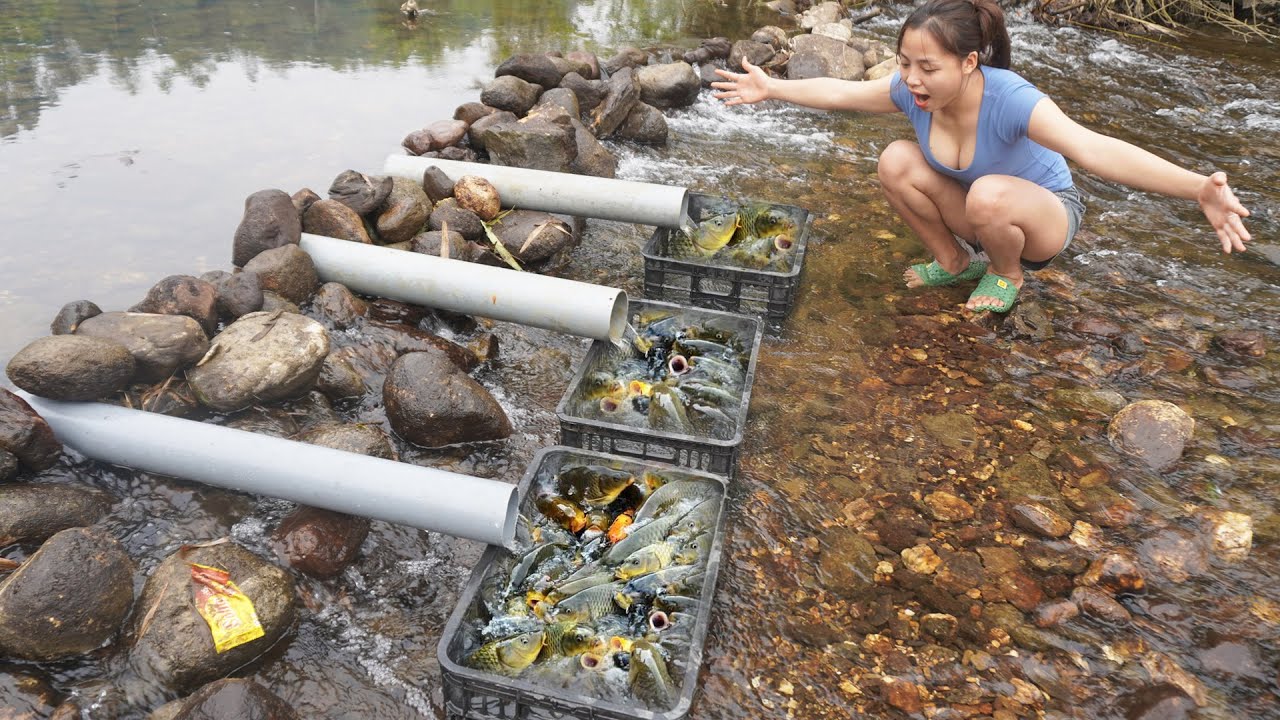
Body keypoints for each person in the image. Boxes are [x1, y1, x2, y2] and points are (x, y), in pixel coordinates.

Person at [711, 0, 1252, 312]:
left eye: (928, 67)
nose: (912, 79)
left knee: (992, 194)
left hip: (1040, 219)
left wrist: (1197, 187)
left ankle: (1007, 275)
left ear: (969, 62)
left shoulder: (1012, 99)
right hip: (975, 208)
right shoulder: (910, 91)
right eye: (904, 63)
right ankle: (953, 262)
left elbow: (1094, 149)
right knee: (895, 159)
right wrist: (773, 89)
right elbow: (842, 95)